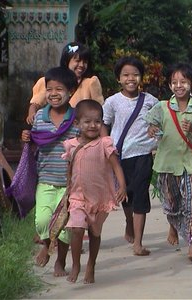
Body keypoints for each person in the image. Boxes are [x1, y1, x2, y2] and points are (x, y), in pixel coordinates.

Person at [145, 63, 192, 262]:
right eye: (175, 82)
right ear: (170, 85)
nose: (179, 85)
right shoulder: (162, 107)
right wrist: (152, 130)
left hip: (191, 163)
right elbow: (150, 126)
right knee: (171, 203)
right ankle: (173, 225)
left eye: (184, 82)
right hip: (167, 164)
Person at [21, 67, 79, 276]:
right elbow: (35, 144)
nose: (53, 93)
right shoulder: (39, 117)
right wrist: (27, 138)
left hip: (70, 184)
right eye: (49, 89)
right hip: (45, 179)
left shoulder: (77, 119)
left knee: (65, 227)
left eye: (59, 89)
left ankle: (60, 262)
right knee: (42, 221)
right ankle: (47, 244)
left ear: (71, 91)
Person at [62, 100, 127, 284]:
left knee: (95, 233)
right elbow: (69, 170)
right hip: (77, 197)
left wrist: (122, 186)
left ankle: (91, 264)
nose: (92, 126)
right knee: (76, 229)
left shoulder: (105, 144)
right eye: (87, 122)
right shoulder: (71, 145)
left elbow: (116, 166)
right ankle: (76, 264)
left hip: (100, 199)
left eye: (97, 122)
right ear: (77, 124)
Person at [102, 56, 158, 256]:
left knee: (140, 194)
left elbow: (160, 121)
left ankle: (138, 244)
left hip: (143, 154)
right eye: (126, 75)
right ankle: (128, 222)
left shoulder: (151, 101)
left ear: (141, 77)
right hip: (119, 156)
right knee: (126, 197)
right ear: (119, 78)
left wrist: (154, 127)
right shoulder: (112, 102)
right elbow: (104, 125)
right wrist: (106, 147)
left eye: (135, 74)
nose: (131, 79)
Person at [26, 41, 104, 124]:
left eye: (85, 62)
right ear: (66, 61)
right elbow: (36, 103)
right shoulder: (52, 81)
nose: (81, 65)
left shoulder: (90, 83)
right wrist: (32, 113)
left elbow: (100, 110)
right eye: (77, 61)